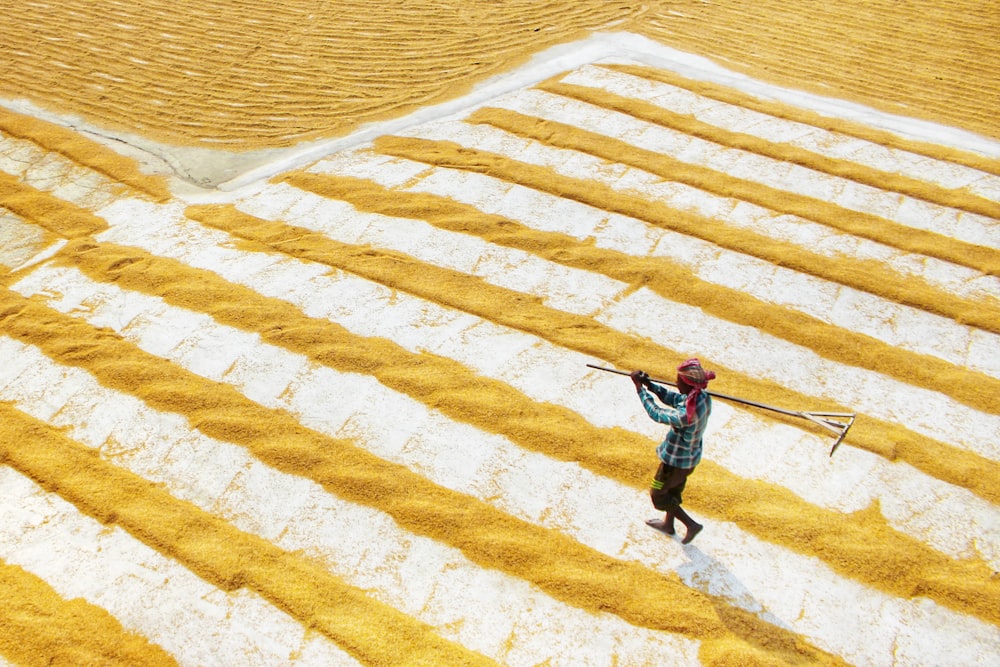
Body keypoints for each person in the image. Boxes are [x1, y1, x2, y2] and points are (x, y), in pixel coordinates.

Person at [630, 358, 715, 544]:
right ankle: (669, 525)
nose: (676, 383)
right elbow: (675, 399)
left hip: (674, 463)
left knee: (659, 494)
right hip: (689, 459)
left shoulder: (686, 415)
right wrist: (650, 385)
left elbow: (657, 413)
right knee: (673, 491)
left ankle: (691, 524)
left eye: (678, 381)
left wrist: (640, 390)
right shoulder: (702, 397)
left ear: (687, 383)